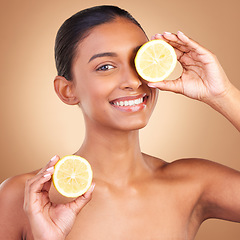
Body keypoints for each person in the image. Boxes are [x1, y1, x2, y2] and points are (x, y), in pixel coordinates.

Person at [0, 5, 240, 240]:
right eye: (105, 66)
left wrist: (223, 94)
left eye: (139, 61)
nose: (133, 81)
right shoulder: (25, 197)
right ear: (67, 90)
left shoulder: (193, 183)